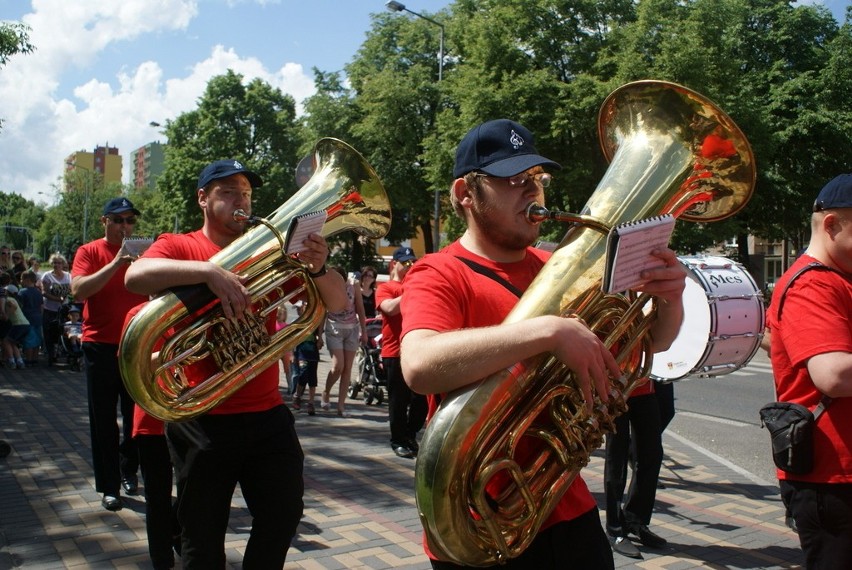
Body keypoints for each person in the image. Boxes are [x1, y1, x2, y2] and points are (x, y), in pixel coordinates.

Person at [399, 119, 687, 569]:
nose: (533, 192)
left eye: (538, 180)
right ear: (464, 194)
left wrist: (669, 300)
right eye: (515, 181)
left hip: (563, 502)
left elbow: (645, 348)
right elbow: (419, 366)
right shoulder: (439, 272)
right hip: (475, 514)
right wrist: (547, 331)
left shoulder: (559, 265)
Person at [124, 158, 347, 568]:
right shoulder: (180, 245)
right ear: (203, 199)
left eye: (245, 192)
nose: (240, 200)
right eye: (227, 192)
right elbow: (136, 276)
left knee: (283, 515)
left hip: (266, 415)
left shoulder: (271, 247)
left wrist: (318, 266)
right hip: (201, 417)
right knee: (201, 539)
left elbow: (337, 302)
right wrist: (209, 272)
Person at [765, 173, 852, 569]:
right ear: (832, 225)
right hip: (832, 481)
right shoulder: (811, 285)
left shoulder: (840, 279)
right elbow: (834, 374)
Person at [71, 197, 147, 512]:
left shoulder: (144, 253)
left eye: (130, 221)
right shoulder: (88, 252)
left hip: (135, 345)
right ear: (105, 221)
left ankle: (128, 469)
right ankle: (109, 486)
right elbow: (79, 291)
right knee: (103, 420)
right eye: (118, 220)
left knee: (137, 419)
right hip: (99, 345)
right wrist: (116, 262)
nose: (125, 227)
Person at [603, 379, 666, 559]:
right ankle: (614, 530)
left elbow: (662, 349)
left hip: (644, 386)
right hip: (614, 388)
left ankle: (635, 520)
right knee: (617, 460)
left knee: (651, 455)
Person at [377, 246, 426, 458]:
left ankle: (410, 435)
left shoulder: (414, 286)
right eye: (405, 262)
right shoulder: (386, 287)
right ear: (393, 264)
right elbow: (388, 308)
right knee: (398, 401)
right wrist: (412, 290)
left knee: (420, 399)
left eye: (412, 262)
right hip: (394, 351)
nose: (409, 266)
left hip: (415, 350)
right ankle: (397, 439)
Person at [321, 265, 367, 417]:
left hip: (351, 329)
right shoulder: (328, 285)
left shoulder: (353, 285)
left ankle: (341, 406)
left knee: (347, 369)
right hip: (334, 329)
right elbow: (322, 310)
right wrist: (318, 333)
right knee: (337, 366)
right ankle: (326, 391)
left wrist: (364, 332)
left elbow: (360, 308)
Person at [292, 307, 324, 416]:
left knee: (312, 377)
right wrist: (292, 354)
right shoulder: (298, 322)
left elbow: (321, 325)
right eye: (300, 308)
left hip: (312, 351)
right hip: (302, 352)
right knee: (303, 373)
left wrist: (320, 338)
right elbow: (293, 339)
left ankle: (311, 402)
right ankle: (297, 396)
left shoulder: (315, 320)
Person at [41, 253, 71, 365]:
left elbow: (71, 290)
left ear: (63, 264)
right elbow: (44, 292)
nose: (56, 265)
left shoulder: (68, 276)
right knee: (48, 333)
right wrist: (57, 298)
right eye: (54, 263)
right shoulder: (47, 276)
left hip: (64, 309)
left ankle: (66, 353)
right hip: (49, 309)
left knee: (65, 332)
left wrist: (67, 298)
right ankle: (51, 355)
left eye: (59, 263)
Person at [17, 270, 43, 366]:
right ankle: (35, 359)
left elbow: (19, 307)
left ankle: (28, 359)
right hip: (38, 319)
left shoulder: (22, 292)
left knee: (29, 340)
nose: (21, 281)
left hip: (27, 319)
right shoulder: (38, 292)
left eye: (21, 279)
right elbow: (41, 307)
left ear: (27, 280)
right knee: (37, 340)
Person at [2, 284, 29, 369]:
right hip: (25, 324)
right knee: (13, 343)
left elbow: (13, 307)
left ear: (7, 292)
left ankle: (12, 361)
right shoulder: (15, 299)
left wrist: (7, 314)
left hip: (18, 324)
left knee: (6, 341)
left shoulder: (8, 299)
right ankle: (20, 361)